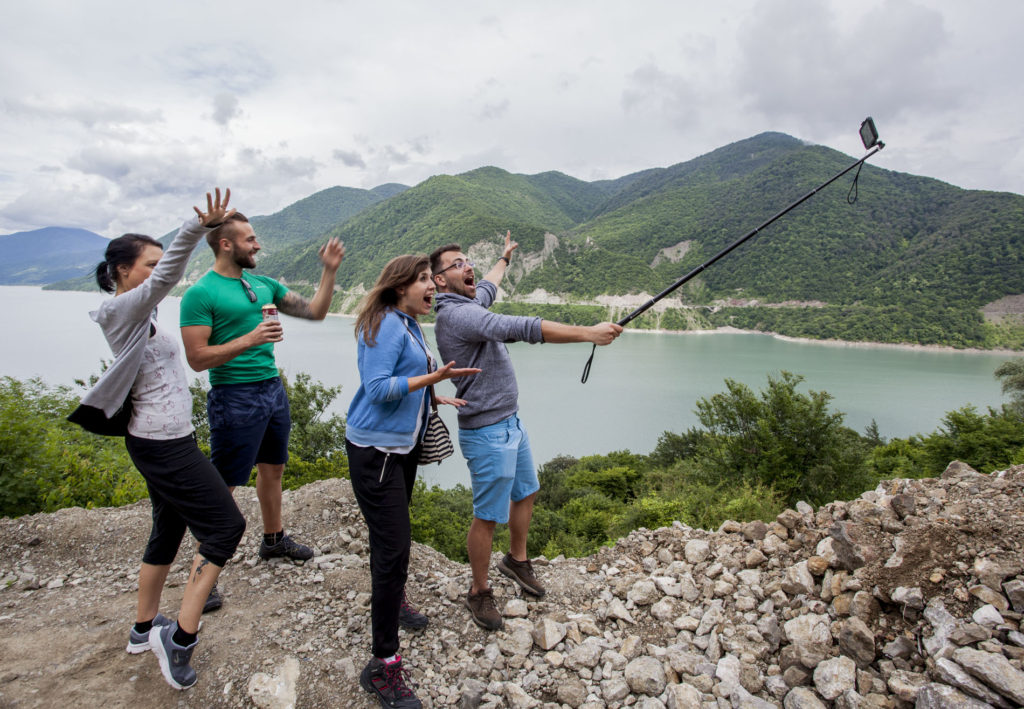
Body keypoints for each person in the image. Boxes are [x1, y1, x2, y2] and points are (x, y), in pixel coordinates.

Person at [68, 188, 247, 690]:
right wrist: (199, 230)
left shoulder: (139, 316)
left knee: (166, 533)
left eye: (155, 261)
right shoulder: (124, 309)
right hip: (163, 445)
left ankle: (143, 628)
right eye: (147, 263)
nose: (156, 270)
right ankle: (181, 638)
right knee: (226, 527)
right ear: (123, 271)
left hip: (166, 439)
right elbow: (170, 274)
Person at [430, 232, 622, 630]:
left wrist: (503, 260)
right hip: (486, 430)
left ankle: (516, 561)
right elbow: (520, 326)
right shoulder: (457, 315)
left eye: (467, 260)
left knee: (528, 490)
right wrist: (588, 333)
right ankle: (478, 592)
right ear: (439, 281)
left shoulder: (468, 300)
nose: (468, 266)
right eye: (457, 264)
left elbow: (487, 288)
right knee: (487, 516)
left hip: (510, 421)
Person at [179, 212, 345, 609]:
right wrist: (251, 337)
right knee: (224, 484)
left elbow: (317, 312)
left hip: (272, 389)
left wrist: (329, 272)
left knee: (273, 468)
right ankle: (203, 574)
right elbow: (197, 358)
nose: (257, 246)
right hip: (233, 395)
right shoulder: (200, 294)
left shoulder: (262, 284)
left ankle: (273, 540)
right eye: (250, 240)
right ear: (225, 244)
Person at [346, 255, 479, 709]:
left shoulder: (405, 321)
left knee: (394, 542)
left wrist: (434, 391)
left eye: (431, 279)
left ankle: (395, 600)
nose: (431, 286)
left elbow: (402, 382)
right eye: (423, 279)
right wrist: (434, 376)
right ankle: (382, 666)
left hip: (399, 449)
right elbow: (379, 387)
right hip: (377, 454)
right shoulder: (385, 324)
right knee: (393, 548)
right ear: (399, 286)